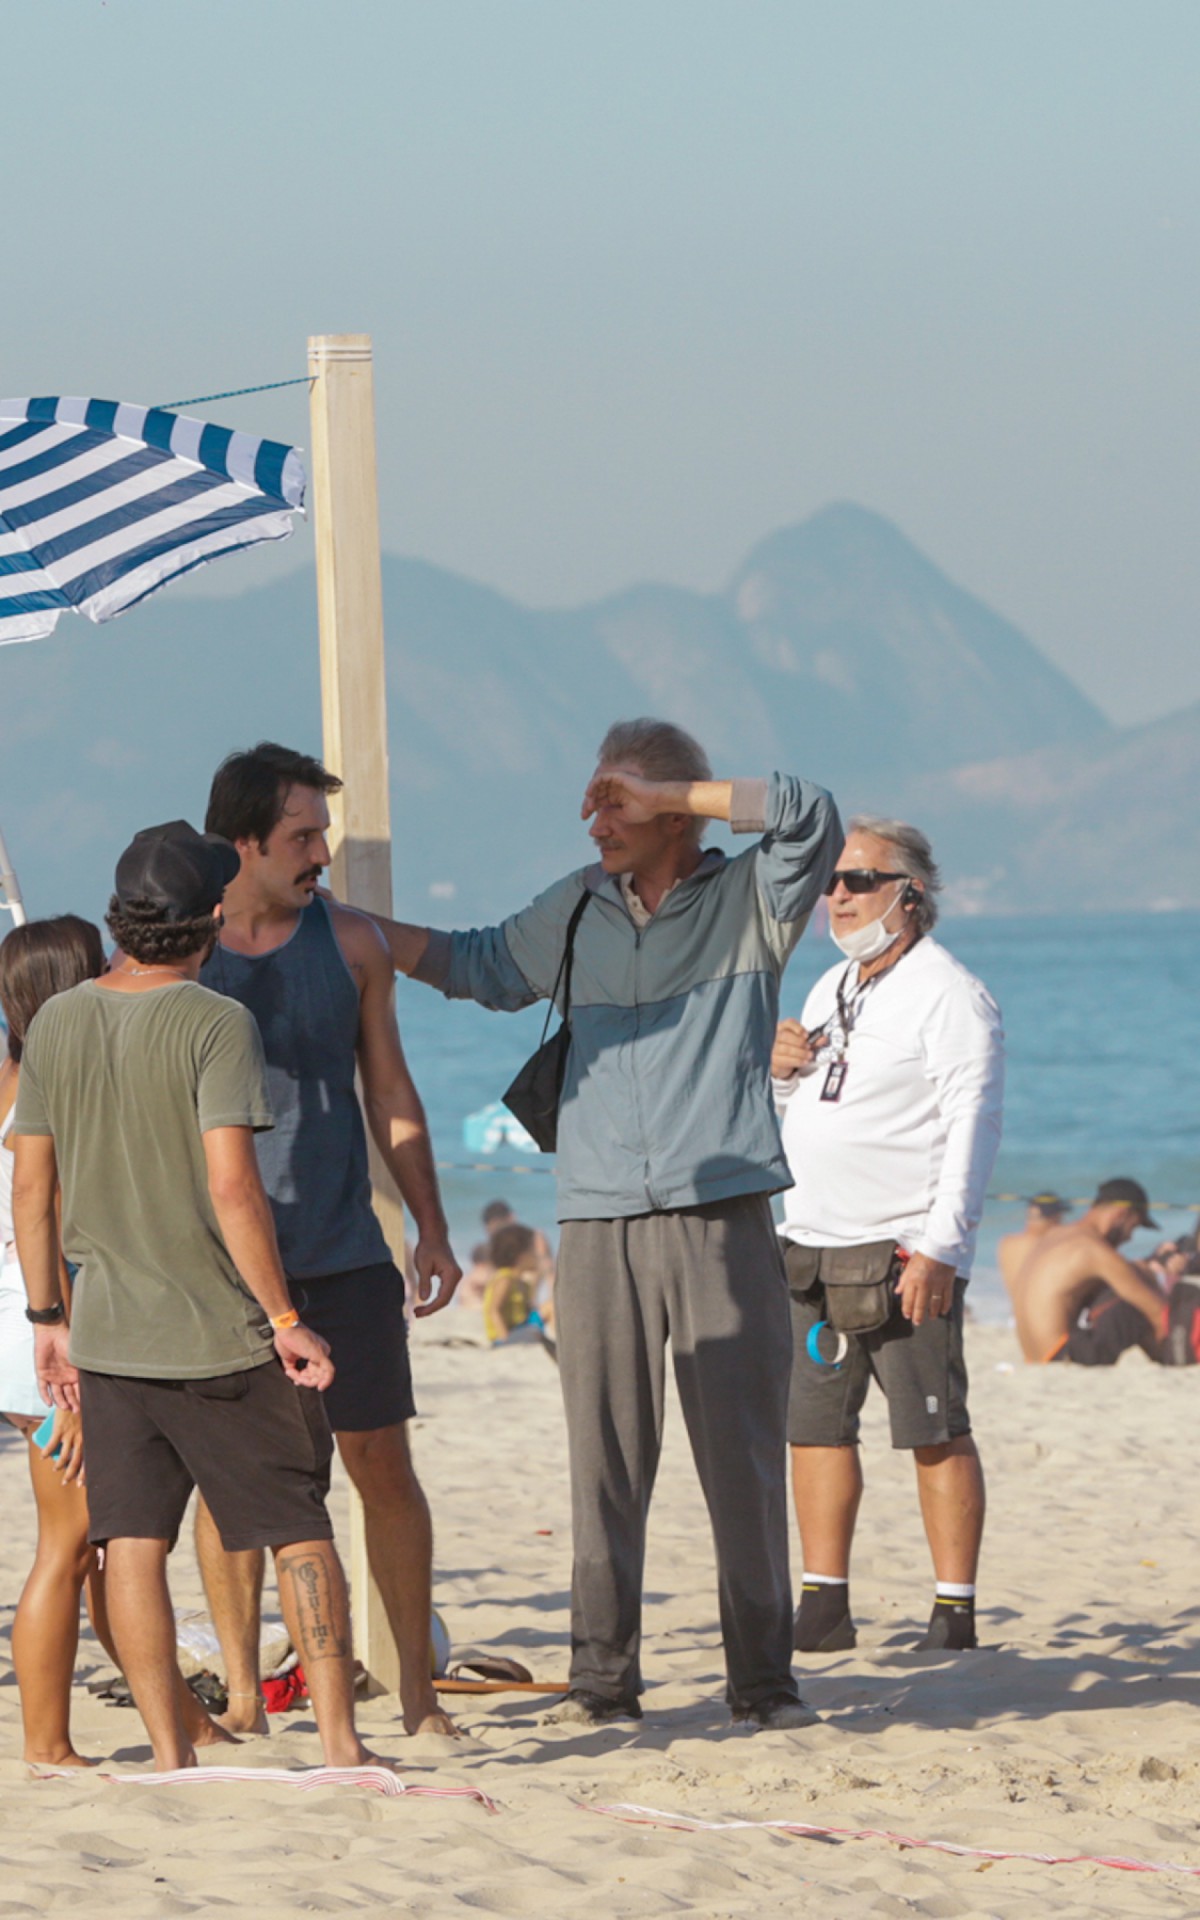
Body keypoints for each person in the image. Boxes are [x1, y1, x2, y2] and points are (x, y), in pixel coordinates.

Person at [369, 717, 841, 1729]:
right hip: (594, 1219)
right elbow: (478, 964)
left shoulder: (749, 898)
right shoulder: (577, 908)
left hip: (722, 1216)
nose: (594, 818)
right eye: (592, 798)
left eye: (615, 798)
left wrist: (674, 794)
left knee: (743, 1461)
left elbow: (813, 816)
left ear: (673, 808)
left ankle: (761, 1682)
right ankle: (601, 1682)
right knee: (605, 1461)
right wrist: (357, 933)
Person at [11, 822, 377, 1772]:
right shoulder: (216, 1022)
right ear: (211, 917)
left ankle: (172, 1753)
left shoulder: (56, 1021)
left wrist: (49, 1320)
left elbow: (32, 1189)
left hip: (107, 1330)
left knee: (130, 1543)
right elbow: (232, 1188)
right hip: (217, 1329)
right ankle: (340, 1743)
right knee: (298, 1526)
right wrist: (288, 1321)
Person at [196, 743, 461, 1738]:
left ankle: (421, 1697)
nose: (321, 853)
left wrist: (431, 1225)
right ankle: (238, 1695)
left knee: (381, 1466)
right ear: (246, 843)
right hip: (222, 1265)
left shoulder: (351, 944)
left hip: (345, 1252)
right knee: (232, 1487)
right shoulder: (182, 954)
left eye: (325, 832)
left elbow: (389, 1091)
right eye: (303, 836)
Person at [773, 816, 1004, 1655]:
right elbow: (808, 1113)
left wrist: (944, 1245)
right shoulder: (830, 986)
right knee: (814, 1427)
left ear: (909, 894)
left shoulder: (950, 995)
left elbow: (973, 1123)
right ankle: (824, 1603)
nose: (837, 896)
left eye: (859, 881)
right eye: (832, 882)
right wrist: (782, 1074)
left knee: (932, 1427)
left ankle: (953, 1608)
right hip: (811, 1240)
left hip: (905, 1249)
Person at [0, 915, 123, 1766]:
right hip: (50, 1341)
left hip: (18, 1330)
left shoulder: (14, 1082)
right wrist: (72, 1373)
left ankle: (184, 1720)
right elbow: (63, 1240)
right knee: (72, 1542)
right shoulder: (52, 1101)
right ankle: (47, 1743)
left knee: (106, 1540)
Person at [1007, 1177, 1173, 1366]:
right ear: (1121, 1214)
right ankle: (1177, 1360)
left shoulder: (1055, 1235)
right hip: (1063, 1355)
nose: (1129, 1237)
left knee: (1127, 1282)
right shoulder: (1093, 1249)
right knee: (1138, 1295)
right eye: (1133, 1227)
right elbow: (1156, 1310)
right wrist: (1148, 1275)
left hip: (1033, 1358)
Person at [998, 1193, 1070, 1303]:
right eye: (1059, 1218)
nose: (1061, 1222)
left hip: (1017, 1314)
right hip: (1043, 1313)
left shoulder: (1007, 1243)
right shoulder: (1047, 1246)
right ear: (1052, 1218)